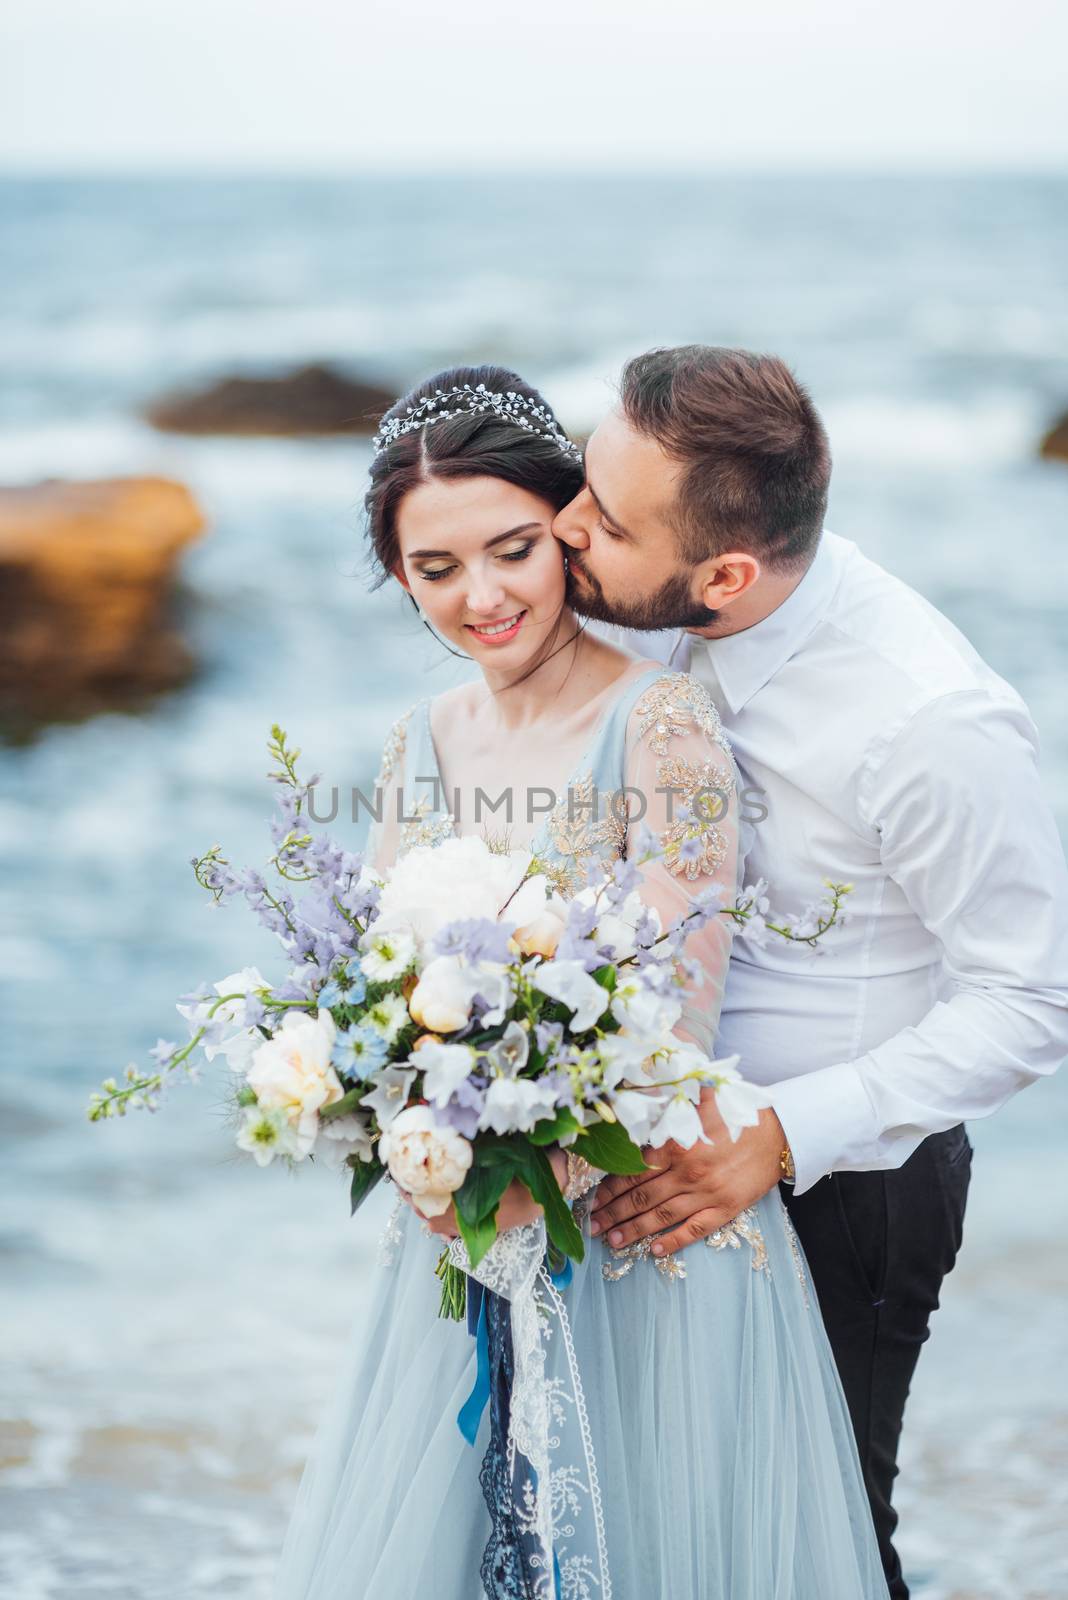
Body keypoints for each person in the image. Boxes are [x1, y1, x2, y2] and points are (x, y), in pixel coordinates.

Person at [271, 365, 890, 1598]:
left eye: (511, 550)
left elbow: (680, 1003)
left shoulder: (660, 719)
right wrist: (409, 1133)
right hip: (460, 1240)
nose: (482, 596)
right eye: (435, 568)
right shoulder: (421, 740)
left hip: (633, 1235)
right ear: (399, 574)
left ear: (565, 528)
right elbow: (380, 991)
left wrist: (533, 1153)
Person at [551, 343, 1068, 1600]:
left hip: (842, 1191)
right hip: (647, 1166)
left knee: (817, 1550)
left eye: (604, 522)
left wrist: (775, 1140)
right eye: (582, 480)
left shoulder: (930, 720)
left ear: (724, 574)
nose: (564, 526)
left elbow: (1033, 996)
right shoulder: (655, 616)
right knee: (659, 1536)